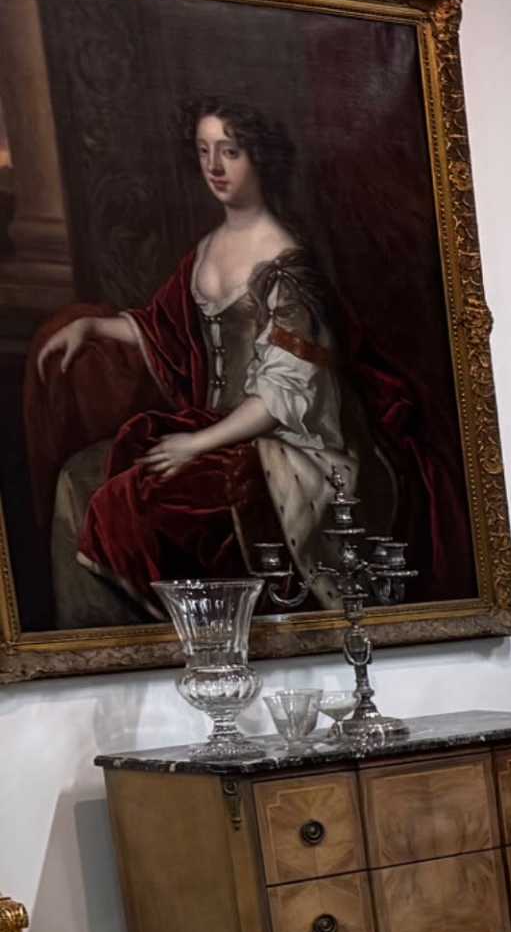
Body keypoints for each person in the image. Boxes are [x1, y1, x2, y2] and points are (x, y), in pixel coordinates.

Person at [34, 98, 460, 622]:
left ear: (259, 158)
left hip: (285, 448)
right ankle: (94, 646)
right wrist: (94, 326)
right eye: (203, 151)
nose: (214, 166)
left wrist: (196, 443)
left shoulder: (287, 262)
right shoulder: (209, 246)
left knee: (129, 503)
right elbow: (165, 327)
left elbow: (283, 393)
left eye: (229, 152)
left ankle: (170, 643)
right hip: (215, 427)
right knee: (78, 479)